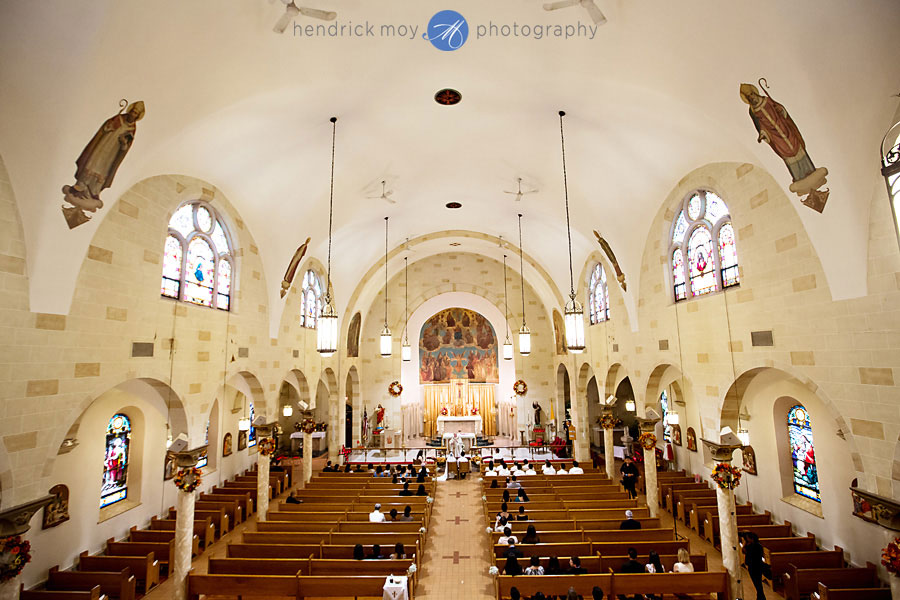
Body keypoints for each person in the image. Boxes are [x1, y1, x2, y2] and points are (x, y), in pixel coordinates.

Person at [743, 532, 766, 600]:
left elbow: (746, 552)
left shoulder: (754, 546)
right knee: (757, 583)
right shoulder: (756, 545)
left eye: (748, 538)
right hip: (754, 566)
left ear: (752, 538)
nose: (747, 540)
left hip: (755, 566)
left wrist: (745, 545)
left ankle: (761, 597)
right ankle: (760, 597)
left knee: (757, 583)